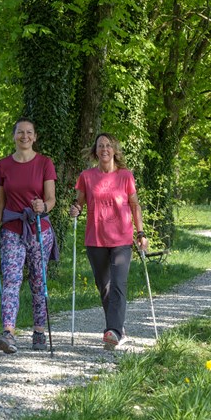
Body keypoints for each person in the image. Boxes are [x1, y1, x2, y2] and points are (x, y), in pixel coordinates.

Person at [69, 132, 148, 349]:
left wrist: (140, 233)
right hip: (95, 238)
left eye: (108, 145)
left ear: (114, 150)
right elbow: (79, 203)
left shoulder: (125, 176)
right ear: (95, 151)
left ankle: (112, 331)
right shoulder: (86, 176)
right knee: (104, 286)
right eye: (100, 146)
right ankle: (118, 329)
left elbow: (134, 205)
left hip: (122, 238)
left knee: (119, 285)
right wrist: (75, 210)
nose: (104, 149)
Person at [0, 117, 58, 354]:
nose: (24, 136)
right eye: (20, 132)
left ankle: (39, 332)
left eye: (29, 132)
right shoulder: (3, 165)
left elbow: (51, 199)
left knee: (39, 280)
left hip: (39, 229)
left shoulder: (45, 163)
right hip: (12, 230)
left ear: (35, 137)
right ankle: (8, 332)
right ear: (14, 136)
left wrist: (43, 207)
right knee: (11, 280)